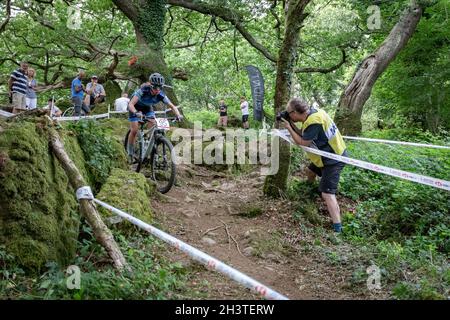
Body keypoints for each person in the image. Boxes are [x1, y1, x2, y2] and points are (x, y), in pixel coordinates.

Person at [281, 98, 348, 233]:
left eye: (289, 113)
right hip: (327, 155)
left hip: (333, 159)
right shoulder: (314, 113)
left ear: (295, 112)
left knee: (327, 193)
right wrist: (292, 126)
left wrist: (289, 127)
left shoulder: (314, 121)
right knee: (311, 171)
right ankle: (309, 192)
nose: (289, 116)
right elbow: (304, 134)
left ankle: (338, 228)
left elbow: (302, 142)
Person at [126, 73, 183, 163]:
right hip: (135, 107)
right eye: (155, 87)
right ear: (151, 86)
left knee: (153, 124)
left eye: (159, 87)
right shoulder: (143, 90)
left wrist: (178, 115)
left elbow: (172, 106)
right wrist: (136, 112)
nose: (157, 90)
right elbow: (131, 104)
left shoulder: (161, 94)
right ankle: (130, 153)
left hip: (147, 108)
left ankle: (147, 145)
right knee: (134, 130)